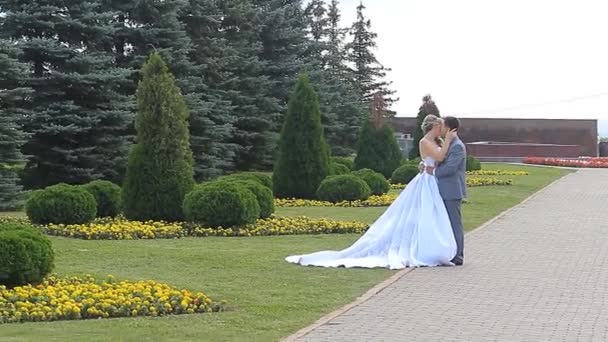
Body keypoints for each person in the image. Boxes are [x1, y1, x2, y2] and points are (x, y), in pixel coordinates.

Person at [285, 115, 458, 269]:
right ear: (434, 127)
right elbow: (440, 157)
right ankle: (422, 248)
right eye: (441, 126)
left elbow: (440, 160)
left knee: (431, 215)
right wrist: (448, 141)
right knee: (422, 213)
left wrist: (442, 147)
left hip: (432, 179)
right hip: (426, 182)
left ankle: (431, 245)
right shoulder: (424, 142)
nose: (443, 130)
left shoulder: (437, 142)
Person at [424, 116, 467, 265]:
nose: (440, 129)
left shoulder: (457, 146)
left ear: (449, 129)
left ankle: (458, 255)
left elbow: (450, 168)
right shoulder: (448, 144)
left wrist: (433, 171)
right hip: (443, 189)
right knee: (445, 223)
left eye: (442, 126)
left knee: (454, 223)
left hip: (452, 190)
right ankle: (448, 252)